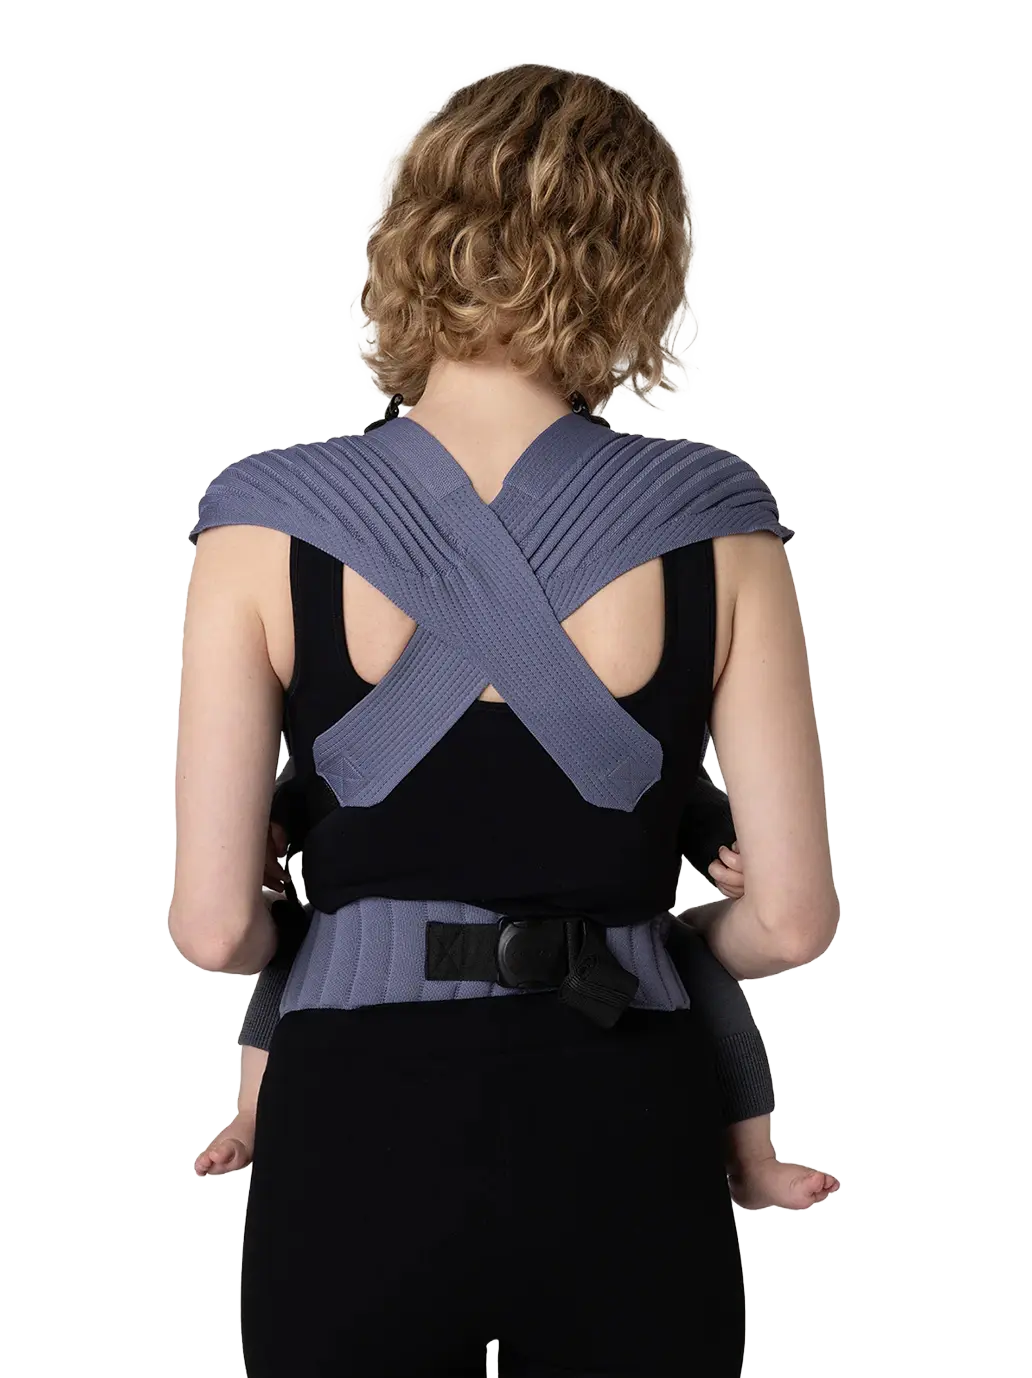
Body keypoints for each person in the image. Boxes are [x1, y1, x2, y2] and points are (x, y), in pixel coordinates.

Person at [170, 62, 840, 1378]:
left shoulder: (260, 522)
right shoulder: (721, 524)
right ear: (639, 263)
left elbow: (213, 927)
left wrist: (325, 928)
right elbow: (793, 918)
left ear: (416, 234)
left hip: (355, 1122)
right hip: (626, 1106)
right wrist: (653, 948)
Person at [194, 757, 840, 1215]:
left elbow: (674, 782)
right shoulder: (373, 683)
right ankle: (252, 1112)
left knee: (694, 963)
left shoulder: (618, 674)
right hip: (380, 944)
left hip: (607, 938)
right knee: (302, 947)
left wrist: (722, 842)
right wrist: (271, 825)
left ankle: (751, 1159)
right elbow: (314, 771)